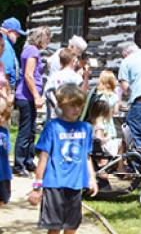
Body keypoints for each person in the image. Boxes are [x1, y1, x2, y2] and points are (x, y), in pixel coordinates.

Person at [28, 84, 98, 233]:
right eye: (72, 105)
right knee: (54, 228)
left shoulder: (86, 128)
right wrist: (37, 187)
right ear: (61, 105)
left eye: (79, 105)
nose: (76, 109)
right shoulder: (53, 127)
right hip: (54, 184)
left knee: (71, 227)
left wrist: (92, 179)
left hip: (76, 184)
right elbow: (43, 159)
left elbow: (86, 157)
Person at [14, 26, 51, 177]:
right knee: (25, 131)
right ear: (42, 38)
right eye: (48, 38)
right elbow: (29, 75)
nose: (48, 42)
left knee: (31, 130)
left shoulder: (31, 50)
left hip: (29, 96)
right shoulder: (32, 51)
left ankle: (28, 161)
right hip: (26, 96)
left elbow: (33, 72)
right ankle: (19, 163)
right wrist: (36, 96)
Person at [44, 48, 87, 121]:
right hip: (72, 111)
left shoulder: (54, 76)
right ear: (73, 61)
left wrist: (56, 104)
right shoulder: (76, 77)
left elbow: (48, 92)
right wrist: (86, 75)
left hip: (56, 112)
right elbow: (83, 92)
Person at [0, 17, 26, 91]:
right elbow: (5, 74)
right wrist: (11, 93)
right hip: (5, 90)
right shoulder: (6, 46)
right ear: (10, 31)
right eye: (17, 33)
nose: (18, 36)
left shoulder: (6, 43)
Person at [0, 97, 12, 206]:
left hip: (3, 167)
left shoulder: (4, 132)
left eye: (2, 115)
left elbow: (7, 148)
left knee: (4, 197)